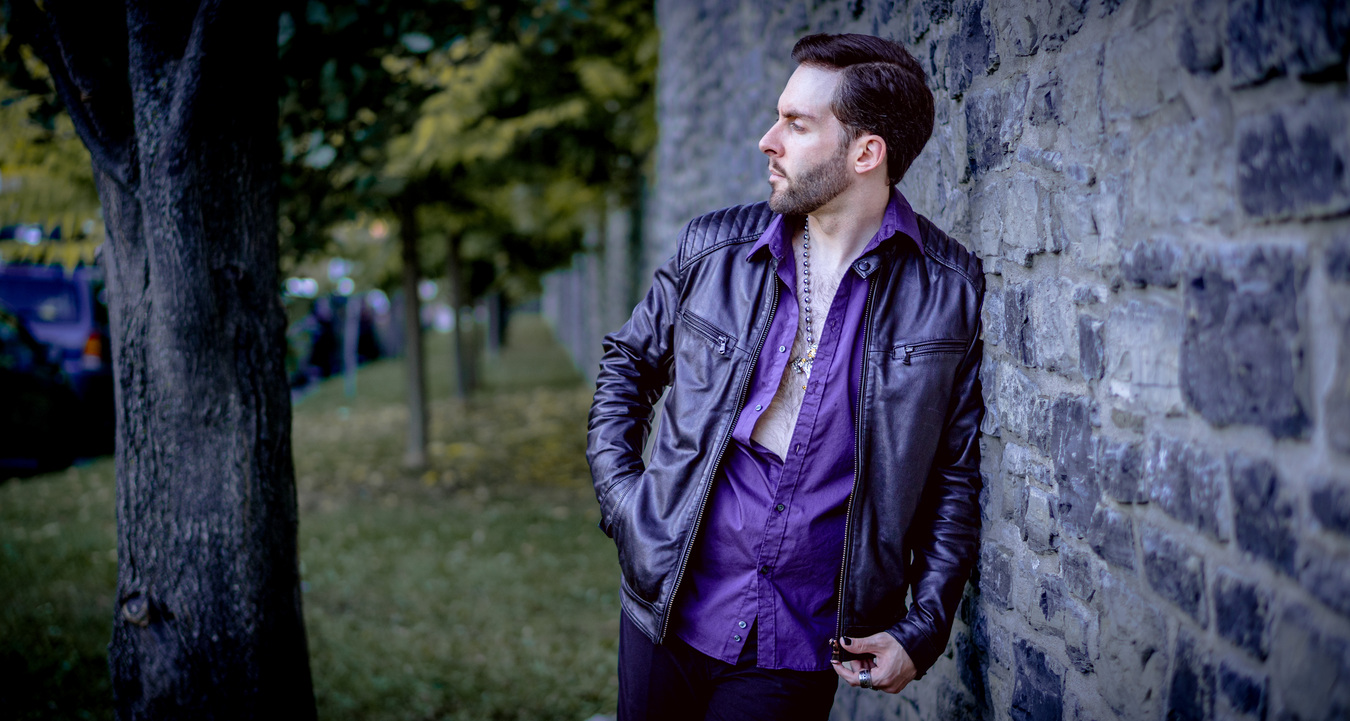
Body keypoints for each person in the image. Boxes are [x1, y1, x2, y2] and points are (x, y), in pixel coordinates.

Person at [587, 32, 985, 720]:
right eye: (779, 116)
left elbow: (953, 471)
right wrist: (626, 503)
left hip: (795, 640)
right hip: (666, 606)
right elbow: (628, 364)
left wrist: (925, 625)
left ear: (866, 152)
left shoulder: (948, 290)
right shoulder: (712, 249)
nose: (768, 140)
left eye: (797, 124)